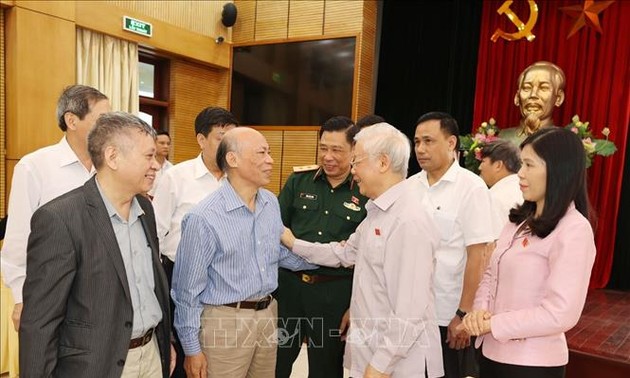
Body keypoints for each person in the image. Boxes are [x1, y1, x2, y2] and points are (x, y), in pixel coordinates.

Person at [282, 123, 444, 377]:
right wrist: (293, 243)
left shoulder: (408, 221)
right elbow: (344, 254)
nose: (353, 171)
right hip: (374, 354)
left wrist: (379, 366)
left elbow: (409, 312)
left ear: (382, 163)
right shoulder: (377, 213)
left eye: (357, 162)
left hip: (398, 364)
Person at [19, 112, 174, 377]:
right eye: (148, 156)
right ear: (113, 157)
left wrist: (164, 341)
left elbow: (150, 288)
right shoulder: (61, 219)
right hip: (96, 364)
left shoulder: (145, 209)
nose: (157, 165)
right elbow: (40, 322)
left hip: (150, 356)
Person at [172, 127, 317, 378]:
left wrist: (329, 257)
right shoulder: (203, 218)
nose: (270, 160)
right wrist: (192, 350)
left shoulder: (270, 203)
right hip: (224, 321)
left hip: (267, 315)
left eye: (269, 153)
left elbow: (277, 254)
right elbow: (186, 292)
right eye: (261, 153)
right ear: (233, 159)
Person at [460, 127, 596, 378]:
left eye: (529, 165)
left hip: (532, 364)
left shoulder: (574, 229)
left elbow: (560, 313)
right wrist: (478, 312)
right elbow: (491, 273)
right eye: (522, 164)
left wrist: (494, 324)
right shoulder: (518, 221)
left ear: (558, 171)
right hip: (490, 352)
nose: (520, 173)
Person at [1, 84, 110, 331]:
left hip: (103, 294)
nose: (109, 127)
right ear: (72, 120)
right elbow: (18, 240)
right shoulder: (34, 167)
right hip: (52, 295)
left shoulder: (109, 166)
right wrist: (21, 298)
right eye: (102, 119)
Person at [276, 116, 368, 378]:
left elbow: (365, 256)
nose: (328, 156)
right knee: (277, 361)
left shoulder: (364, 190)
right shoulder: (299, 181)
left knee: (325, 367)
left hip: (334, 293)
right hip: (290, 290)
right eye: (323, 148)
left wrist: (355, 305)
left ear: (354, 151)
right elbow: (277, 229)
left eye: (337, 150)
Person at [408, 111, 497, 378]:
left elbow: (478, 255)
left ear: (451, 143)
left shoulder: (471, 188)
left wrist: (463, 313)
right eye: (416, 142)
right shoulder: (410, 187)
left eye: (428, 141)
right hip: (409, 311)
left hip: (447, 314)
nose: (420, 149)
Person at [152, 106, 238, 377]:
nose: (228, 147)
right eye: (221, 138)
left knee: (217, 355)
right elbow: (156, 231)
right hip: (180, 276)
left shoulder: (238, 179)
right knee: (183, 356)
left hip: (224, 281)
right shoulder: (176, 177)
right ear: (201, 140)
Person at [500, 61, 566, 145]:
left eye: (543, 88)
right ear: (517, 97)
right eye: (527, 88)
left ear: (559, 98)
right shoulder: (502, 137)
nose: (533, 95)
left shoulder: (564, 142)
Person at [478, 140, 523, 229]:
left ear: (498, 165)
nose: (479, 167)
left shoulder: (494, 198)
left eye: (483, 161)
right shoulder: (525, 190)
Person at [147, 130, 173, 198]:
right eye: (162, 143)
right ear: (154, 144)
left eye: (168, 143)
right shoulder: (146, 165)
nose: (166, 146)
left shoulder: (172, 168)